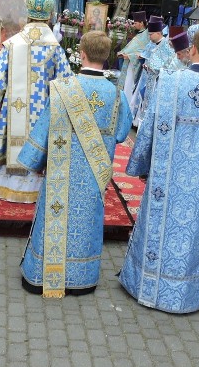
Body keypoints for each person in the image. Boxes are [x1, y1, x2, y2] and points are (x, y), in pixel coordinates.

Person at [118, 28, 199, 313]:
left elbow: (149, 125)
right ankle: (183, 294)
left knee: (159, 223)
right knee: (192, 230)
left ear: (193, 50)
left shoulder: (170, 82)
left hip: (166, 171)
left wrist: (140, 163)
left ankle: (146, 283)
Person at [17, 31, 132, 297]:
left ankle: (42, 275)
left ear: (81, 54)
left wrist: (32, 161)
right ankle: (80, 277)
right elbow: (122, 133)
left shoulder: (62, 88)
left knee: (53, 215)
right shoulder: (116, 95)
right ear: (107, 57)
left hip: (60, 171)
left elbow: (44, 128)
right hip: (94, 173)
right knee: (87, 219)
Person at [0, 0, 71, 203]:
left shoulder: (12, 44)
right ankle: (32, 188)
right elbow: (67, 84)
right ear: (49, 16)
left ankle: (4, 185)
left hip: (13, 112)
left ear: (29, 14)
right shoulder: (55, 49)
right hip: (42, 112)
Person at [116, 10, 148, 102]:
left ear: (142, 23)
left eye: (135, 23)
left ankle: (127, 103)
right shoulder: (140, 34)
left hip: (133, 65)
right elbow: (132, 48)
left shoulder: (146, 35)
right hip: (129, 64)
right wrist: (122, 53)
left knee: (129, 85)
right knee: (126, 84)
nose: (134, 25)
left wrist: (130, 56)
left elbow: (144, 52)